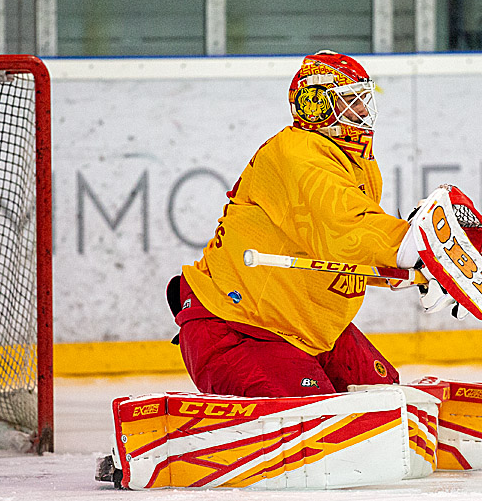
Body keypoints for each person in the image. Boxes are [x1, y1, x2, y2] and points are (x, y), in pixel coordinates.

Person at [168, 50, 417, 398]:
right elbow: (346, 227)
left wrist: (406, 269)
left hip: (304, 328)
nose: (363, 111)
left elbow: (339, 248)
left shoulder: (356, 162)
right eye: (350, 101)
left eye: (363, 100)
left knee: (389, 400)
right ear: (314, 106)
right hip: (239, 330)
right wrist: (414, 248)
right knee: (327, 422)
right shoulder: (296, 153)